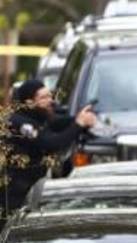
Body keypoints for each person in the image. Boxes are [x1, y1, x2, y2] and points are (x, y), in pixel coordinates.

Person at [2, 80, 96, 224]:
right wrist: (78, 124)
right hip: (14, 191)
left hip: (30, 186)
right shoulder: (20, 123)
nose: (50, 101)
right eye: (43, 98)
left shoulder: (36, 115)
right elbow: (50, 143)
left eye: (49, 96)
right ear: (29, 102)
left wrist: (79, 118)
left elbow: (56, 123)